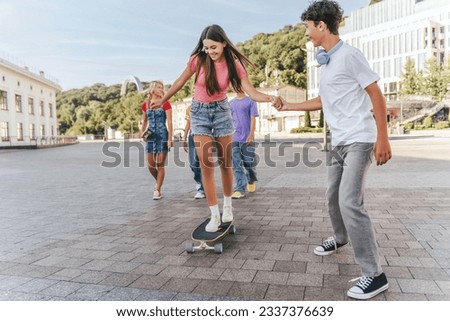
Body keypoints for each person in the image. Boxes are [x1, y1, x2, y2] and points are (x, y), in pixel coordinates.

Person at [276, 0, 392, 300]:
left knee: (350, 202)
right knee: (332, 196)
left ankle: (374, 274)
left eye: (308, 28)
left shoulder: (351, 56)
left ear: (321, 26)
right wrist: (289, 105)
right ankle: (340, 238)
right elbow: (322, 101)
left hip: (360, 139)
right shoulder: (327, 62)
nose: (307, 34)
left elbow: (376, 95)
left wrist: (383, 138)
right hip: (338, 141)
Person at [151, 24, 281, 232]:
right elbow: (179, 82)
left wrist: (271, 98)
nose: (210, 52)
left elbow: (252, 92)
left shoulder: (234, 64)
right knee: (206, 165)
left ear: (223, 43)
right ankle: (214, 215)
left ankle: (228, 207)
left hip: (221, 112)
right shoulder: (198, 60)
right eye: (206, 48)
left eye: (213, 47)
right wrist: (163, 100)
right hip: (199, 113)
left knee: (226, 163)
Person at [140, 80, 173, 200]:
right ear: (153, 89)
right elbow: (144, 121)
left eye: (162, 87)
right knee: (150, 165)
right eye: (159, 87)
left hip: (162, 134)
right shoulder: (146, 105)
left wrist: (170, 139)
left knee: (160, 165)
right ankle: (159, 181)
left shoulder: (166, 104)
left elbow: (169, 122)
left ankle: (157, 190)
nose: (161, 89)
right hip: (150, 136)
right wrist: (142, 133)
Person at [230, 92, 258, 199]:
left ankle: (251, 179)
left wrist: (251, 135)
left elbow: (253, 119)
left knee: (249, 164)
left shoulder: (251, 101)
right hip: (234, 138)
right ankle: (239, 189)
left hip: (247, 138)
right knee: (236, 164)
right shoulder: (230, 103)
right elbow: (229, 121)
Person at [184, 104, 205, 199]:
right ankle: (200, 182)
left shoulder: (205, 106)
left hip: (202, 135)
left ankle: (202, 189)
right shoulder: (189, 108)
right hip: (191, 137)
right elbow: (188, 123)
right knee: (193, 164)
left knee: (203, 163)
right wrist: (184, 138)